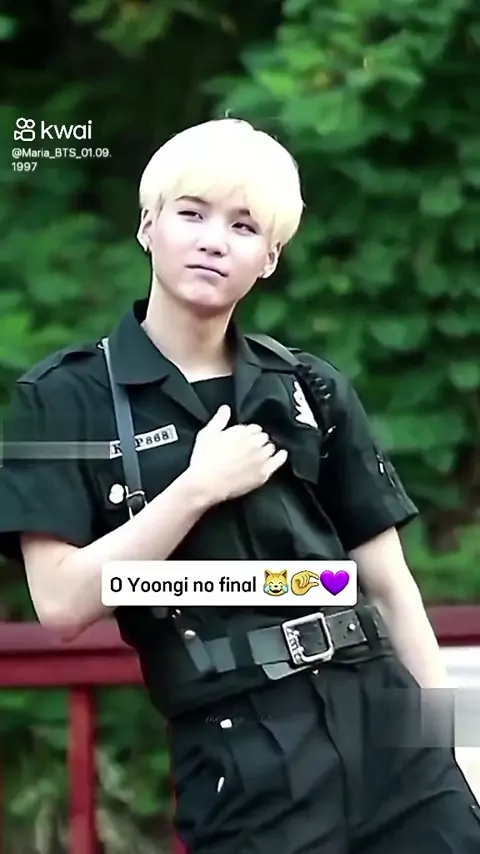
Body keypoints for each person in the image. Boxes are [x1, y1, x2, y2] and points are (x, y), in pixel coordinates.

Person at [0, 118, 479, 854]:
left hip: (386, 724)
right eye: (192, 214)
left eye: (244, 226)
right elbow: (62, 604)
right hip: (241, 748)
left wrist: (454, 750)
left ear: (270, 258)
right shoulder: (66, 397)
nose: (214, 241)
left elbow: (387, 584)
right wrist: (194, 490)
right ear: (148, 226)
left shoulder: (309, 386)